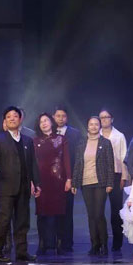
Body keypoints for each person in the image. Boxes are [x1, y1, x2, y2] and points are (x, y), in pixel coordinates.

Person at [0, 106, 41, 263]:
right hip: (6, 186)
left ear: (20, 119)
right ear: (5, 120)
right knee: (4, 220)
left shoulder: (27, 140)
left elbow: (32, 164)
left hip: (24, 187)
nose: (12, 118)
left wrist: (36, 183)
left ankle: (21, 252)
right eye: (9, 116)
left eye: (15, 116)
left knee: (22, 221)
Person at [71, 116, 115, 256]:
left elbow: (110, 164)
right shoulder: (82, 143)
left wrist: (110, 183)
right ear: (87, 126)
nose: (94, 126)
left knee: (99, 213)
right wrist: (74, 183)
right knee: (91, 215)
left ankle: (104, 244)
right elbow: (78, 164)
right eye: (91, 124)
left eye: (96, 124)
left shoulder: (105, 143)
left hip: (100, 182)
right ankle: (94, 244)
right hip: (85, 183)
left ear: (99, 126)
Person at [33, 113, 72, 255]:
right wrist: (33, 181)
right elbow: (32, 162)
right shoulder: (34, 141)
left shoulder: (61, 139)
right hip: (41, 181)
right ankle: (42, 243)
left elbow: (66, 159)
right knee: (41, 213)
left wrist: (69, 178)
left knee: (59, 213)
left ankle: (59, 243)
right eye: (41, 122)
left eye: (46, 120)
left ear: (52, 122)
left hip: (58, 180)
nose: (43, 123)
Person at [99, 108, 129, 252]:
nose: (104, 119)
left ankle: (117, 243)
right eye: (102, 117)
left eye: (107, 117)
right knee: (98, 210)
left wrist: (124, 176)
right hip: (99, 176)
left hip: (116, 175)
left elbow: (124, 157)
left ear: (112, 119)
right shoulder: (95, 135)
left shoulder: (119, 136)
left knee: (116, 211)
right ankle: (100, 242)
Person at [54, 105, 82, 253]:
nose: (60, 118)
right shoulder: (49, 132)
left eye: (63, 116)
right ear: (53, 117)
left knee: (67, 211)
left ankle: (67, 242)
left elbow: (78, 158)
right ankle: (54, 241)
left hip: (68, 178)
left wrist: (74, 179)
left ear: (67, 118)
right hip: (52, 178)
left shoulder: (75, 134)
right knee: (53, 211)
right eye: (58, 116)